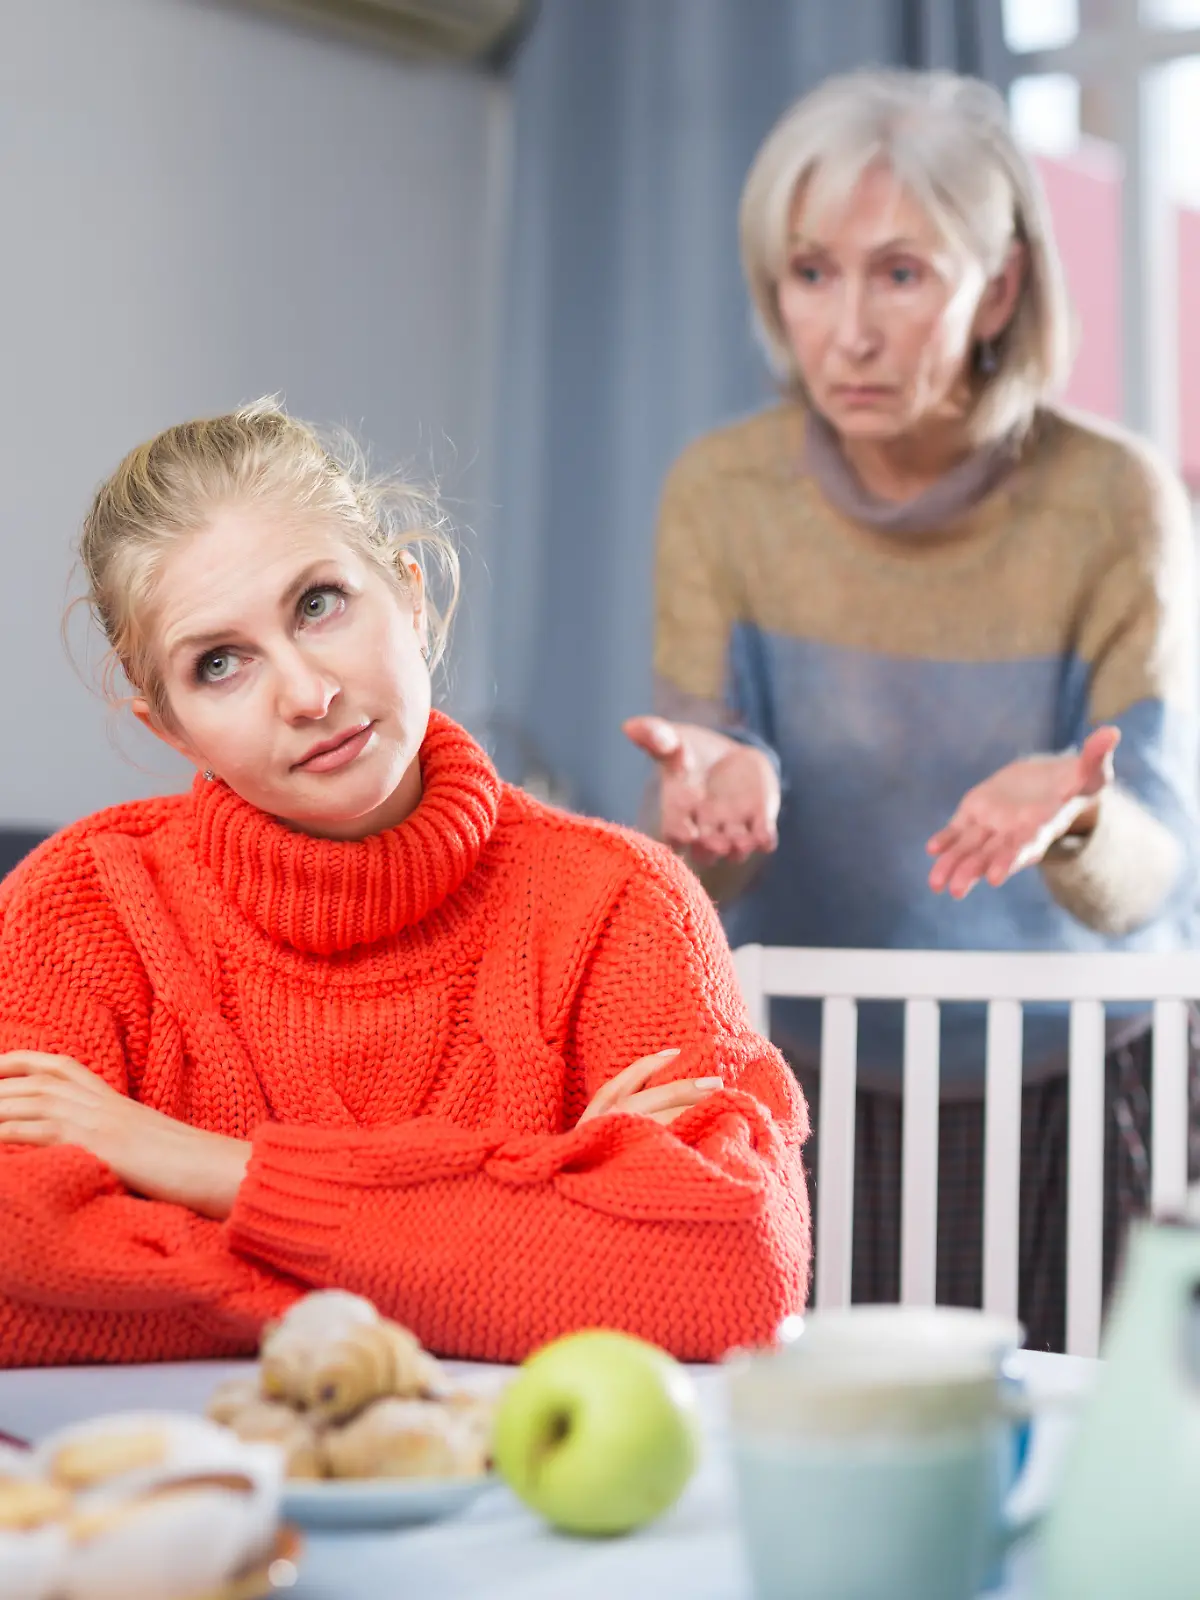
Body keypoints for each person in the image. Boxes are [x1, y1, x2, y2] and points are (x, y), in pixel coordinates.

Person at [0, 401, 810, 1369]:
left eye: (319, 603)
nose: (308, 695)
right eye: (219, 664)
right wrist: (534, 1200)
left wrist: (208, 1169)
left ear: (412, 597)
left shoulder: (623, 901)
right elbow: (15, 1285)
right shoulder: (78, 906)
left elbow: (735, 1269)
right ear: (172, 728)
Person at [625, 68, 1199, 1351]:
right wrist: (709, 818)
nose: (848, 332)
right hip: (802, 1080)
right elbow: (691, 867)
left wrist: (1076, 819)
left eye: (901, 273)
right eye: (810, 273)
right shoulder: (721, 493)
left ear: (997, 289)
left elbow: (1156, 875)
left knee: (1079, 1455)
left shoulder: (1116, 500)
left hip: (1077, 1077)